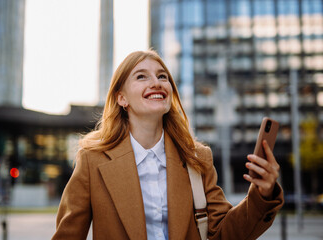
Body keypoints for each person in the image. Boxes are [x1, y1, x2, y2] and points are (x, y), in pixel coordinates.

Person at [51, 50, 283, 240]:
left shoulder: (197, 158)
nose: (156, 83)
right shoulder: (93, 160)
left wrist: (262, 194)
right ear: (122, 98)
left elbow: (224, 233)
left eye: (162, 76)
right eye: (141, 77)